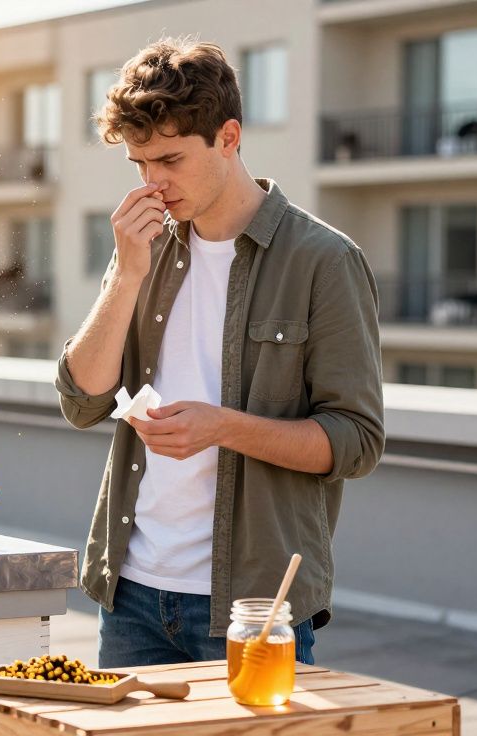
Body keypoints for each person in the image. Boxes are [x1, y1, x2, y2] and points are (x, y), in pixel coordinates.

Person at [55, 38, 384, 668]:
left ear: (228, 137)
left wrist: (222, 428)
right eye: (139, 164)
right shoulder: (144, 249)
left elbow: (356, 442)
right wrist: (126, 275)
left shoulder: (324, 261)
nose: (153, 182)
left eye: (171, 159)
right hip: (130, 594)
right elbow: (82, 399)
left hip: (250, 606)